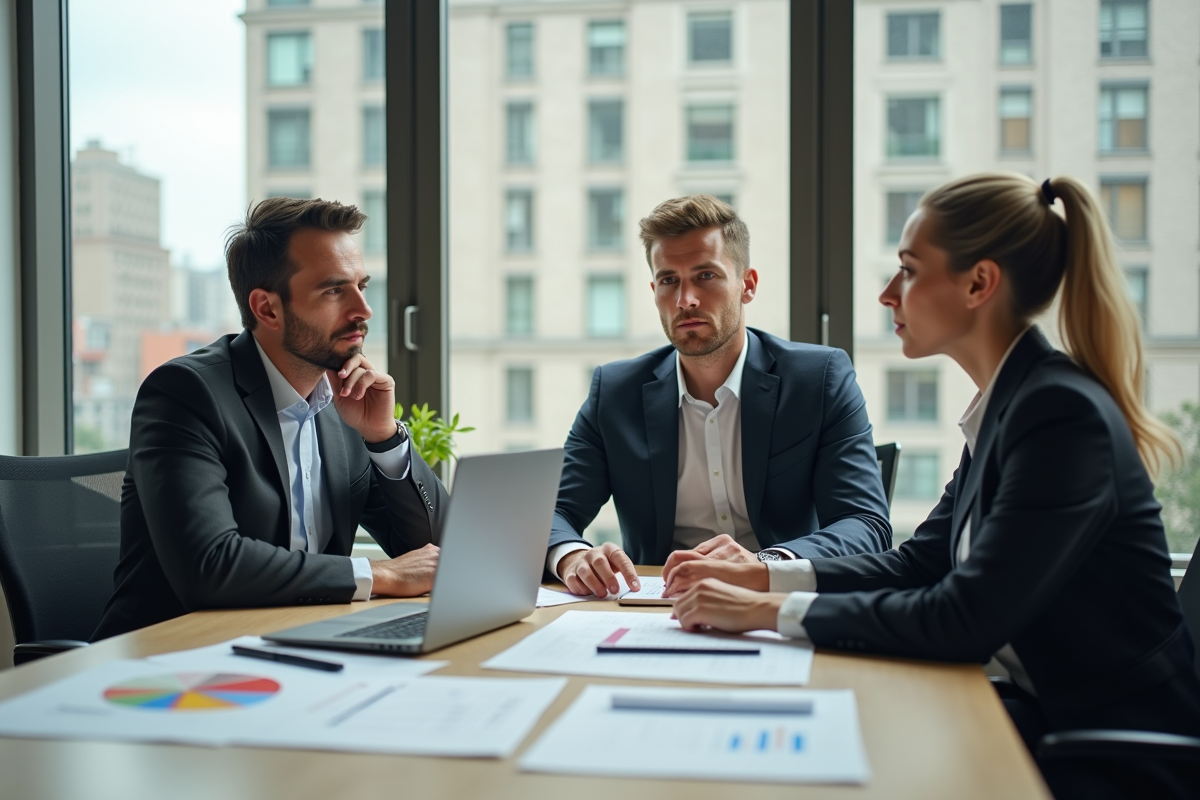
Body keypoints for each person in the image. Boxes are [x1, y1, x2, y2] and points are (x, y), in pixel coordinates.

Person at [664, 174, 1200, 798]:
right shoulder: (1012, 403)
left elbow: (962, 616)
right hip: (1026, 709)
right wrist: (763, 575)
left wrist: (764, 610)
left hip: (1102, 749)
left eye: (910, 271)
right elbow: (924, 560)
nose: (890, 294)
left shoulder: (1059, 414)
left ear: (979, 284)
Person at [93, 198, 447, 640]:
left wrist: (383, 438)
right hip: (173, 662)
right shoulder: (185, 394)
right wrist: (380, 574)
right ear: (267, 308)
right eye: (335, 290)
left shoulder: (342, 405)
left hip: (300, 643)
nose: (363, 310)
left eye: (363, 286)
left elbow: (437, 551)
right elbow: (210, 565)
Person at [550, 194, 892, 598]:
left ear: (747, 285)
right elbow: (554, 512)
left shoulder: (819, 378)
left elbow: (865, 523)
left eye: (706, 276)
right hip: (658, 609)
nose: (685, 300)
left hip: (777, 605)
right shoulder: (615, 391)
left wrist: (764, 564)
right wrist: (571, 556)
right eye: (669, 280)